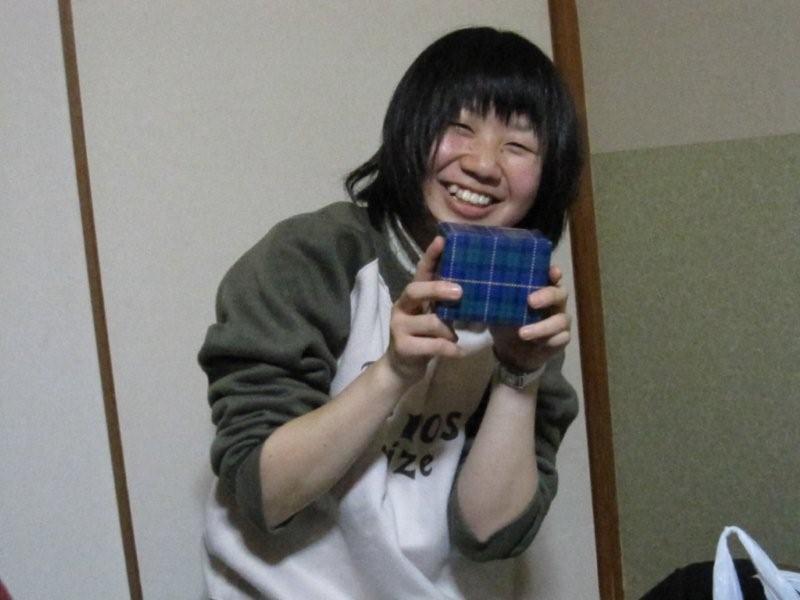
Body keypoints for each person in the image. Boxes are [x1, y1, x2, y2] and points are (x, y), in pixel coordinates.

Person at [198, 26, 582, 599]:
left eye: (518, 146)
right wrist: (393, 372)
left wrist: (520, 374)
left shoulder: (529, 306)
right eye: (459, 128)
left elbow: (488, 535)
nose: (483, 164)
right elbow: (264, 494)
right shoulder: (315, 257)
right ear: (411, 129)